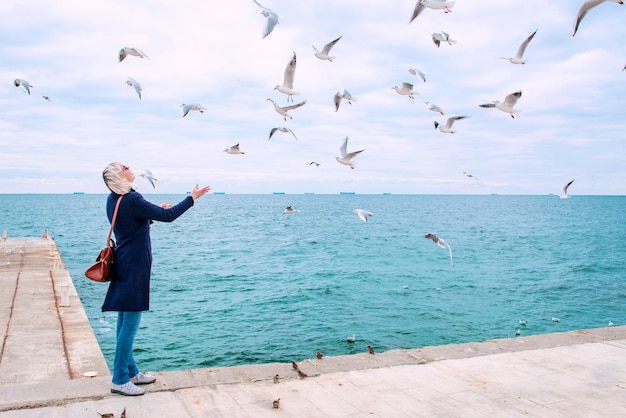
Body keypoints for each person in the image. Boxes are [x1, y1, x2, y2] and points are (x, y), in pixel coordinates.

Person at [101, 162, 210, 396]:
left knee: (124, 319)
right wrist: (191, 198)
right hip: (134, 265)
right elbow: (168, 216)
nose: (130, 168)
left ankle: (130, 372)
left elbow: (130, 223)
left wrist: (151, 214)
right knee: (129, 325)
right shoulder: (131, 198)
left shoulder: (114, 199)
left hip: (124, 261)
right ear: (120, 175)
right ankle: (119, 378)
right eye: (125, 167)